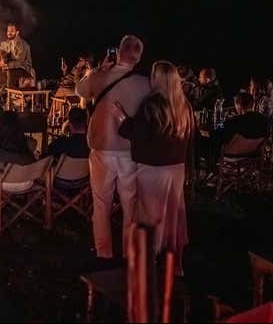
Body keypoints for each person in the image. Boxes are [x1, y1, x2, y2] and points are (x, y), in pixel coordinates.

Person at [111, 61, 194, 274]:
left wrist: (122, 118)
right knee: (174, 215)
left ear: (157, 79)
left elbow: (138, 134)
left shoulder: (151, 105)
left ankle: (148, 262)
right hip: (176, 167)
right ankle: (177, 265)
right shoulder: (184, 105)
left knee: (149, 216)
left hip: (153, 168)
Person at [75, 34, 151, 260]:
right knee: (130, 204)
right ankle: (129, 251)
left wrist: (98, 70)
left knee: (101, 204)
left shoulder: (100, 76)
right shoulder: (145, 84)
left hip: (102, 148)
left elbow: (80, 90)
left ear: (118, 52)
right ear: (138, 57)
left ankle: (104, 251)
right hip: (130, 150)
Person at [0, 22, 34, 89]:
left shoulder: (22, 45)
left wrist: (5, 65)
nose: (9, 33)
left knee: (10, 73)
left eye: (12, 31)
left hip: (24, 70)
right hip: (10, 70)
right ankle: (3, 94)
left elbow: (19, 63)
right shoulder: (7, 43)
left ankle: (10, 94)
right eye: (8, 31)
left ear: (17, 33)